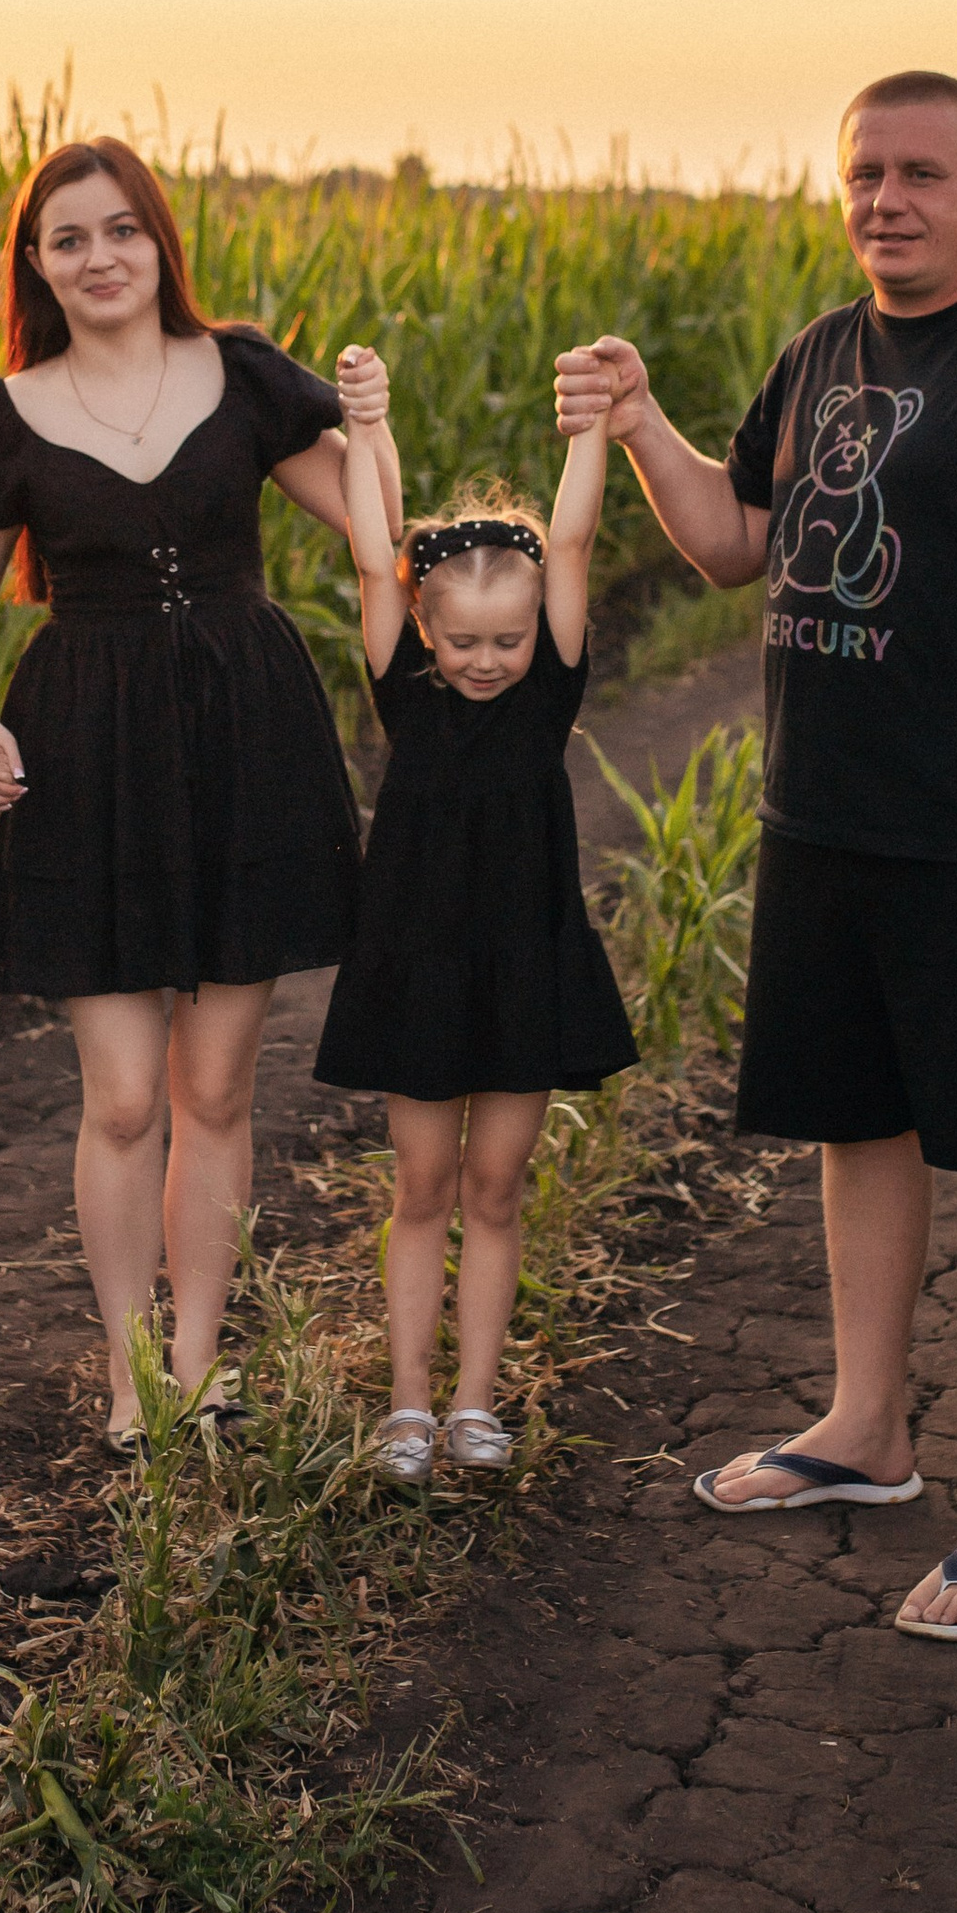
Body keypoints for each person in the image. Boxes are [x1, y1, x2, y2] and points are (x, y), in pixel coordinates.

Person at [555, 69, 957, 1638]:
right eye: (865, 174)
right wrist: (640, 425)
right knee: (859, 1129)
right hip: (826, 822)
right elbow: (733, 541)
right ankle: (867, 1432)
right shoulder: (822, 354)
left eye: (922, 172)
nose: (889, 200)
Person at [0, 139, 395, 1450]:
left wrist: (370, 424)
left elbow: (372, 535)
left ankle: (198, 1361)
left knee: (217, 1094)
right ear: (37, 263)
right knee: (124, 1097)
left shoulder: (240, 371)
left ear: (158, 241)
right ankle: (133, 1375)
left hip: (246, 734)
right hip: (87, 747)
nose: (100, 257)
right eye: (69, 238)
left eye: (122, 230)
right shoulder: (5, 413)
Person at [316, 347, 638, 1479]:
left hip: (524, 961)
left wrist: (590, 428)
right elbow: (369, 554)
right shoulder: (404, 683)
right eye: (466, 644)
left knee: (496, 1190)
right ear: (424, 627)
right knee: (423, 1188)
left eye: (506, 640)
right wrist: (368, 425)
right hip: (419, 961)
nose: (489, 662)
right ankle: (406, 1407)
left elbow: (579, 539)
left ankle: (471, 1404)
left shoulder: (549, 684)